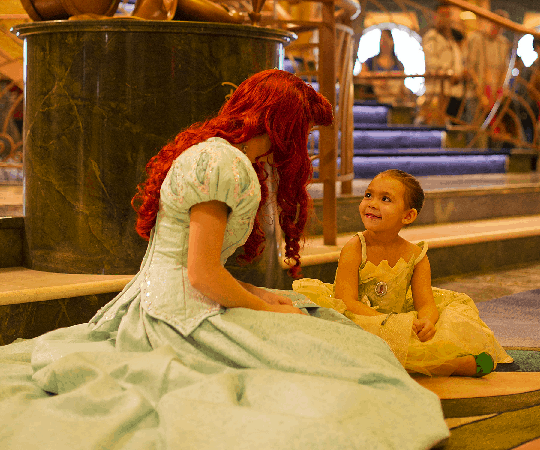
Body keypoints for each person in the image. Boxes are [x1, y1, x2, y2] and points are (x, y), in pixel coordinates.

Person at [0, 70, 449, 450]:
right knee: (343, 359)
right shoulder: (225, 164)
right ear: (282, 123)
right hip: (179, 314)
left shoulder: (222, 155)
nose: (303, 144)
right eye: (303, 131)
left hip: (175, 299)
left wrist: (257, 296)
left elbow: (198, 266)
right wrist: (260, 305)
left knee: (325, 330)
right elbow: (200, 273)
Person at [294, 168, 513, 376]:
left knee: (443, 324)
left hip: (399, 318)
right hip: (359, 318)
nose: (371, 204)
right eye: (368, 195)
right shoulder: (355, 247)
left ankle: (427, 359)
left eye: (385, 199)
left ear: (407, 216)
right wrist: (388, 322)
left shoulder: (416, 255)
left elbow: (425, 303)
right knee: (355, 344)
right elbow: (346, 302)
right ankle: (452, 365)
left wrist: (426, 322)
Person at [463, 10, 512, 127]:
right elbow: (469, 68)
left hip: (495, 96)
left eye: (501, 26)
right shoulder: (476, 38)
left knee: (496, 131)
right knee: (477, 133)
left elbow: (504, 69)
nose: (498, 29)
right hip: (476, 95)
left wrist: (500, 92)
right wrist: (481, 95)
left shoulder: (503, 43)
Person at [422, 3, 465, 124]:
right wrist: (451, 74)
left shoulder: (451, 40)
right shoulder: (431, 38)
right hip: (438, 92)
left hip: (454, 93)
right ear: (435, 16)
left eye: (448, 15)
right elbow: (432, 64)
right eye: (442, 15)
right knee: (437, 127)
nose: (446, 19)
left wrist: (461, 73)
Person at [359, 28, 406, 104]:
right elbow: (361, 76)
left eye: (387, 39)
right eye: (382, 39)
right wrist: (376, 81)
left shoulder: (399, 65)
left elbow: (402, 87)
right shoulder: (370, 62)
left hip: (393, 102)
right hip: (373, 102)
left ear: (392, 42)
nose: (384, 42)